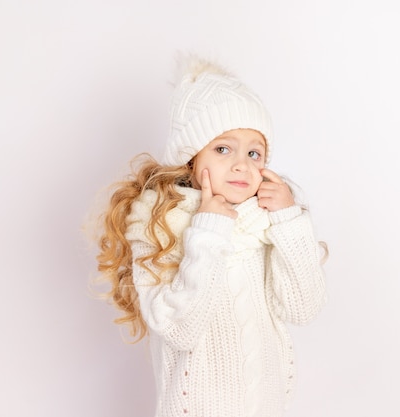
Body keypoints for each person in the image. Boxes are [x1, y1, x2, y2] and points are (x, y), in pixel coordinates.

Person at [93, 54, 327, 417]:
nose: (242, 165)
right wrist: (208, 229)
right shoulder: (159, 224)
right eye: (223, 149)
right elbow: (180, 328)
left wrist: (289, 220)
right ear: (191, 158)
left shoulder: (266, 223)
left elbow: (303, 308)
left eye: (254, 152)